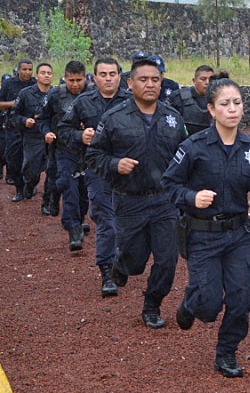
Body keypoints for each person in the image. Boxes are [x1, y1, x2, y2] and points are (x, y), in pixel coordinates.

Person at [162, 77, 250, 377]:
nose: (232, 109)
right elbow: (169, 184)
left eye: (237, 103)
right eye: (225, 104)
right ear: (211, 109)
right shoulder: (194, 146)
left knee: (244, 294)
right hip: (202, 234)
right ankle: (192, 301)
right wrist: (190, 197)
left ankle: (227, 352)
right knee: (208, 307)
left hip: (239, 234)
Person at [86, 56, 186, 329]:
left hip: (165, 202)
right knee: (134, 259)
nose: (150, 84)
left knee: (167, 260)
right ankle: (120, 266)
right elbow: (94, 155)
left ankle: (152, 304)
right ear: (130, 83)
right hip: (129, 202)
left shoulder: (174, 119)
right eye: (143, 79)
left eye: (155, 80)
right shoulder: (114, 118)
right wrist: (115, 164)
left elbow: (186, 157)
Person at [57, 57, 129, 296]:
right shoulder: (83, 102)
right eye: (103, 74)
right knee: (106, 220)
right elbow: (63, 130)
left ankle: (124, 261)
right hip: (98, 169)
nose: (108, 78)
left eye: (112, 74)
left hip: (130, 171)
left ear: (120, 76)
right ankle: (107, 272)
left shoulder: (133, 102)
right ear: (94, 78)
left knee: (127, 223)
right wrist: (80, 136)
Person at [39, 60, 89, 250]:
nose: (75, 84)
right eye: (71, 80)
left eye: (79, 80)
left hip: (87, 153)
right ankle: (73, 229)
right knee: (69, 188)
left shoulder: (93, 96)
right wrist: (46, 133)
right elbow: (42, 118)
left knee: (84, 192)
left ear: (85, 78)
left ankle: (80, 217)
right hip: (64, 149)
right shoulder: (55, 95)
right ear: (65, 78)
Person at [11, 62, 54, 203]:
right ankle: (29, 184)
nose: (46, 76)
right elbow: (14, 115)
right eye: (43, 73)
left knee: (53, 171)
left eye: (49, 73)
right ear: (37, 76)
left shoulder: (57, 94)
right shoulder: (26, 94)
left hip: (52, 138)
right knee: (32, 171)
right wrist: (25, 121)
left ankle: (47, 203)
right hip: (33, 137)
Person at [0, 59, 35, 188]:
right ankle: (18, 185)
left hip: (32, 128)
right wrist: (12, 104)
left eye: (30, 69)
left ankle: (29, 184)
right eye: (24, 69)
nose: (27, 72)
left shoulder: (36, 84)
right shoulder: (9, 84)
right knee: (13, 159)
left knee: (32, 159)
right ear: (18, 70)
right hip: (13, 126)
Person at [173, 65, 216, 135]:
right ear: (194, 80)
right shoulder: (178, 97)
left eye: (211, 80)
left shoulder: (220, 99)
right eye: (203, 79)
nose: (207, 82)